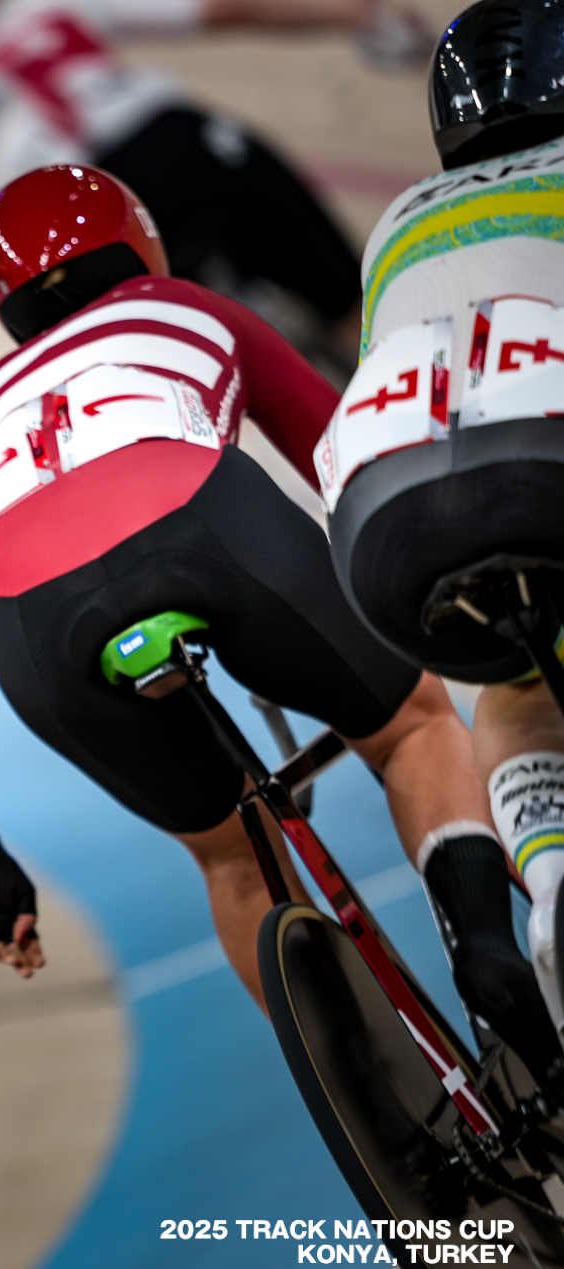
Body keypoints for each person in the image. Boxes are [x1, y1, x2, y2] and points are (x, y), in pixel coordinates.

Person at [0, 163, 564, 1088]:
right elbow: (343, 449)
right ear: (140, 243)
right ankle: (484, 951)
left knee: (233, 860)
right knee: (411, 726)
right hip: (197, 526)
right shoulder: (179, 303)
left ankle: (365, 1098)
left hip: (32, 623)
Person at [317, 0, 564, 1045]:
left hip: (390, 523)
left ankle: (552, 885)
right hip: (532, 462)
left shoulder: (397, 221)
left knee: (511, 685)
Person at [0, 0, 425, 367]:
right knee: (355, 318)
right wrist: (362, 15)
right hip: (187, 146)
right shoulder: (35, 7)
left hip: (83, 221)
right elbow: (230, 9)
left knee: (159, 382)